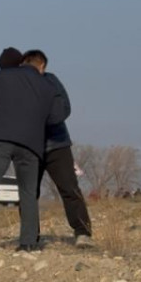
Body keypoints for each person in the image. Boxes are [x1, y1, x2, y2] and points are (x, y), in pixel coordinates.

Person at [0, 50, 66, 251]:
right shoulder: (47, 86)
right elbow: (57, 115)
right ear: (40, 66)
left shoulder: (3, 76)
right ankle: (28, 242)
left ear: (24, 62)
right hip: (31, 144)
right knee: (28, 192)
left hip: (0, 139)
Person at [21, 50, 94, 247]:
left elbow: (64, 108)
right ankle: (30, 236)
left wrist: (43, 121)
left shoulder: (52, 81)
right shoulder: (19, 84)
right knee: (28, 193)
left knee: (69, 189)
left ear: (41, 67)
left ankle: (82, 232)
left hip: (57, 145)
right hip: (29, 147)